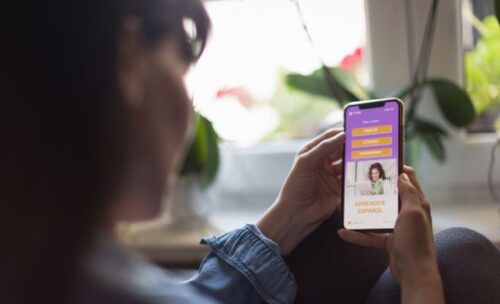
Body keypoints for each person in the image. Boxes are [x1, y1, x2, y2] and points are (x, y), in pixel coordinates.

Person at [1, 1, 499, 304]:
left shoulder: (51, 260)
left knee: (337, 229)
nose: (190, 117)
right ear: (129, 63)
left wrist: (285, 219)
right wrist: (420, 285)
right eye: (180, 71)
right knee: (460, 257)